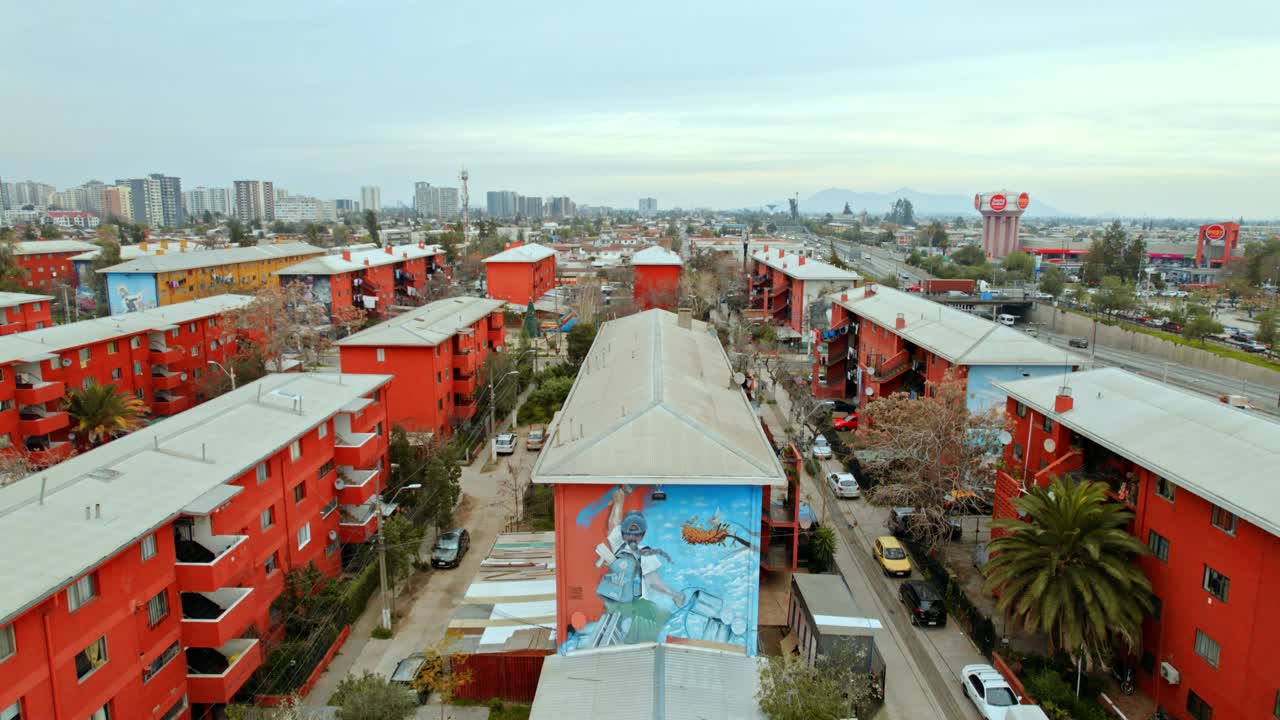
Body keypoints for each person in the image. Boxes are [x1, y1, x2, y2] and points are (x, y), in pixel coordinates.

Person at [593, 486, 684, 644]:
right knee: (656, 617)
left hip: (614, 603)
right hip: (635, 607)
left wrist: (618, 502)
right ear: (642, 534)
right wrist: (674, 593)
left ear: (623, 532)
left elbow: (613, 525)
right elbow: (654, 583)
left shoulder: (619, 545)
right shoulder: (645, 553)